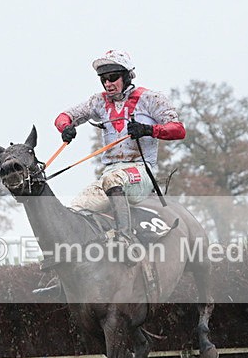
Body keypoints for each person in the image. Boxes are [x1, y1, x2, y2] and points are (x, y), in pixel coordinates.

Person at [54, 49, 186, 243]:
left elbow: (179, 129)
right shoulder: (98, 101)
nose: (107, 83)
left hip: (141, 172)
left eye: (113, 77)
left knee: (114, 180)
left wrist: (148, 130)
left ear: (126, 76)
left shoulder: (150, 98)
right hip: (109, 174)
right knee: (74, 210)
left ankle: (125, 238)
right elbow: (64, 116)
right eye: (103, 79)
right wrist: (65, 127)